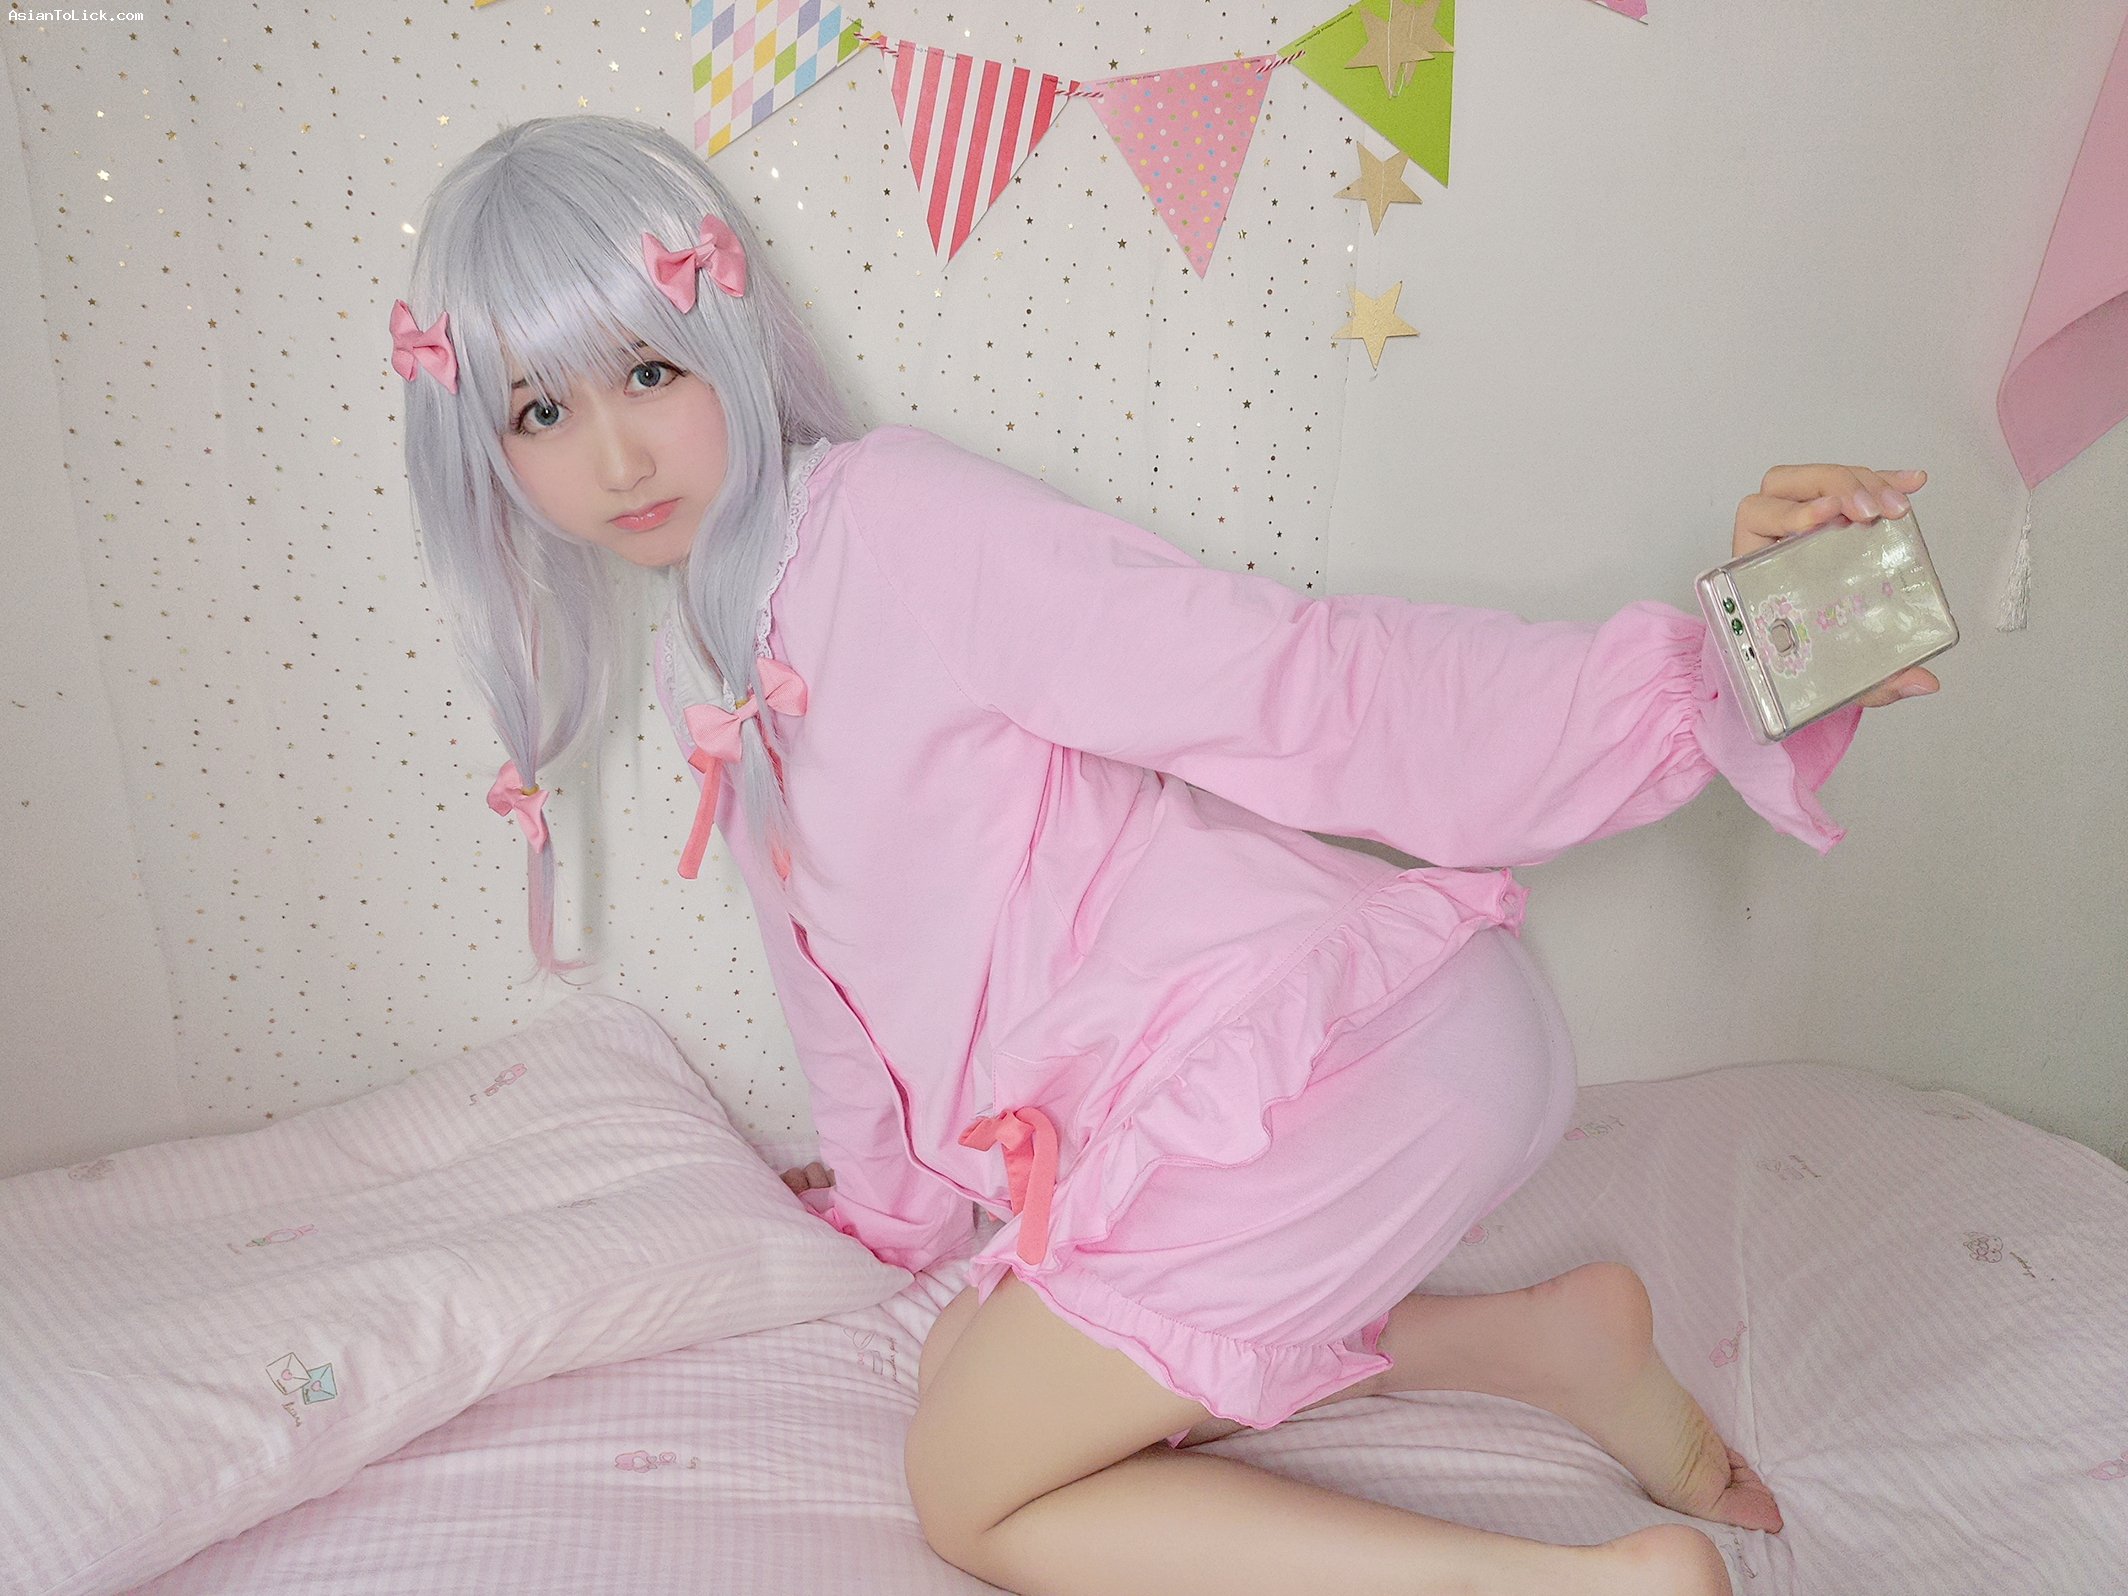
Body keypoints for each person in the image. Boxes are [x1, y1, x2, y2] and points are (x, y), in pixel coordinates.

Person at [390, 113, 1939, 1596]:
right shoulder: (710, 645)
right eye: (541, 412)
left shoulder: (887, 521)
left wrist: (1722, 678)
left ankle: (1580, 1585)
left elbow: (1293, 684)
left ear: (723, 333)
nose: (615, 457)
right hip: (1233, 1090)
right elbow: (834, 961)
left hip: (1347, 1066)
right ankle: (1549, 1344)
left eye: (648, 371)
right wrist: (887, 1208)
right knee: (960, 1363)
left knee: (966, 1492)